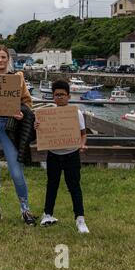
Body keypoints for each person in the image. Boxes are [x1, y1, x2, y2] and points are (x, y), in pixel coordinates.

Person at [0, 44, 37, 225]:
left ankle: (25, 209)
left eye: (3, 57)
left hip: (10, 127)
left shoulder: (17, 78)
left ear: (8, 60)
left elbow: (27, 101)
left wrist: (21, 112)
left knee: (16, 171)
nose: (0, 60)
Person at [35, 80, 89, 233]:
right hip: (53, 155)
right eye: (56, 95)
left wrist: (82, 144)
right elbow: (41, 134)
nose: (59, 97)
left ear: (68, 96)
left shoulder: (76, 113)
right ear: (52, 96)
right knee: (52, 185)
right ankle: (47, 214)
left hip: (71, 155)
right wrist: (37, 127)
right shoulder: (46, 114)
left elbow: (83, 134)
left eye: (62, 95)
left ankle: (80, 219)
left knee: (74, 186)